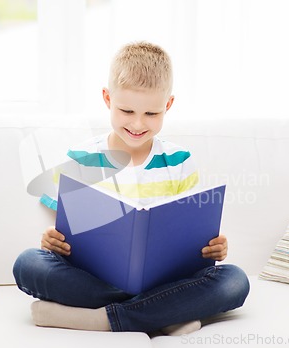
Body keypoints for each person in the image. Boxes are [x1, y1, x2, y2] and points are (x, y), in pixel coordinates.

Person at [13, 41, 249, 335]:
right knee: (28, 264)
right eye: (126, 110)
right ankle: (165, 313)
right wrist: (52, 241)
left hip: (166, 279)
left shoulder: (179, 161)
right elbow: (62, 231)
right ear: (107, 98)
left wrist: (214, 248)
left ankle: (105, 319)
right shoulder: (82, 158)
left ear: (168, 105)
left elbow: (194, 236)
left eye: (152, 114)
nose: (138, 124)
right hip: (97, 278)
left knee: (235, 281)